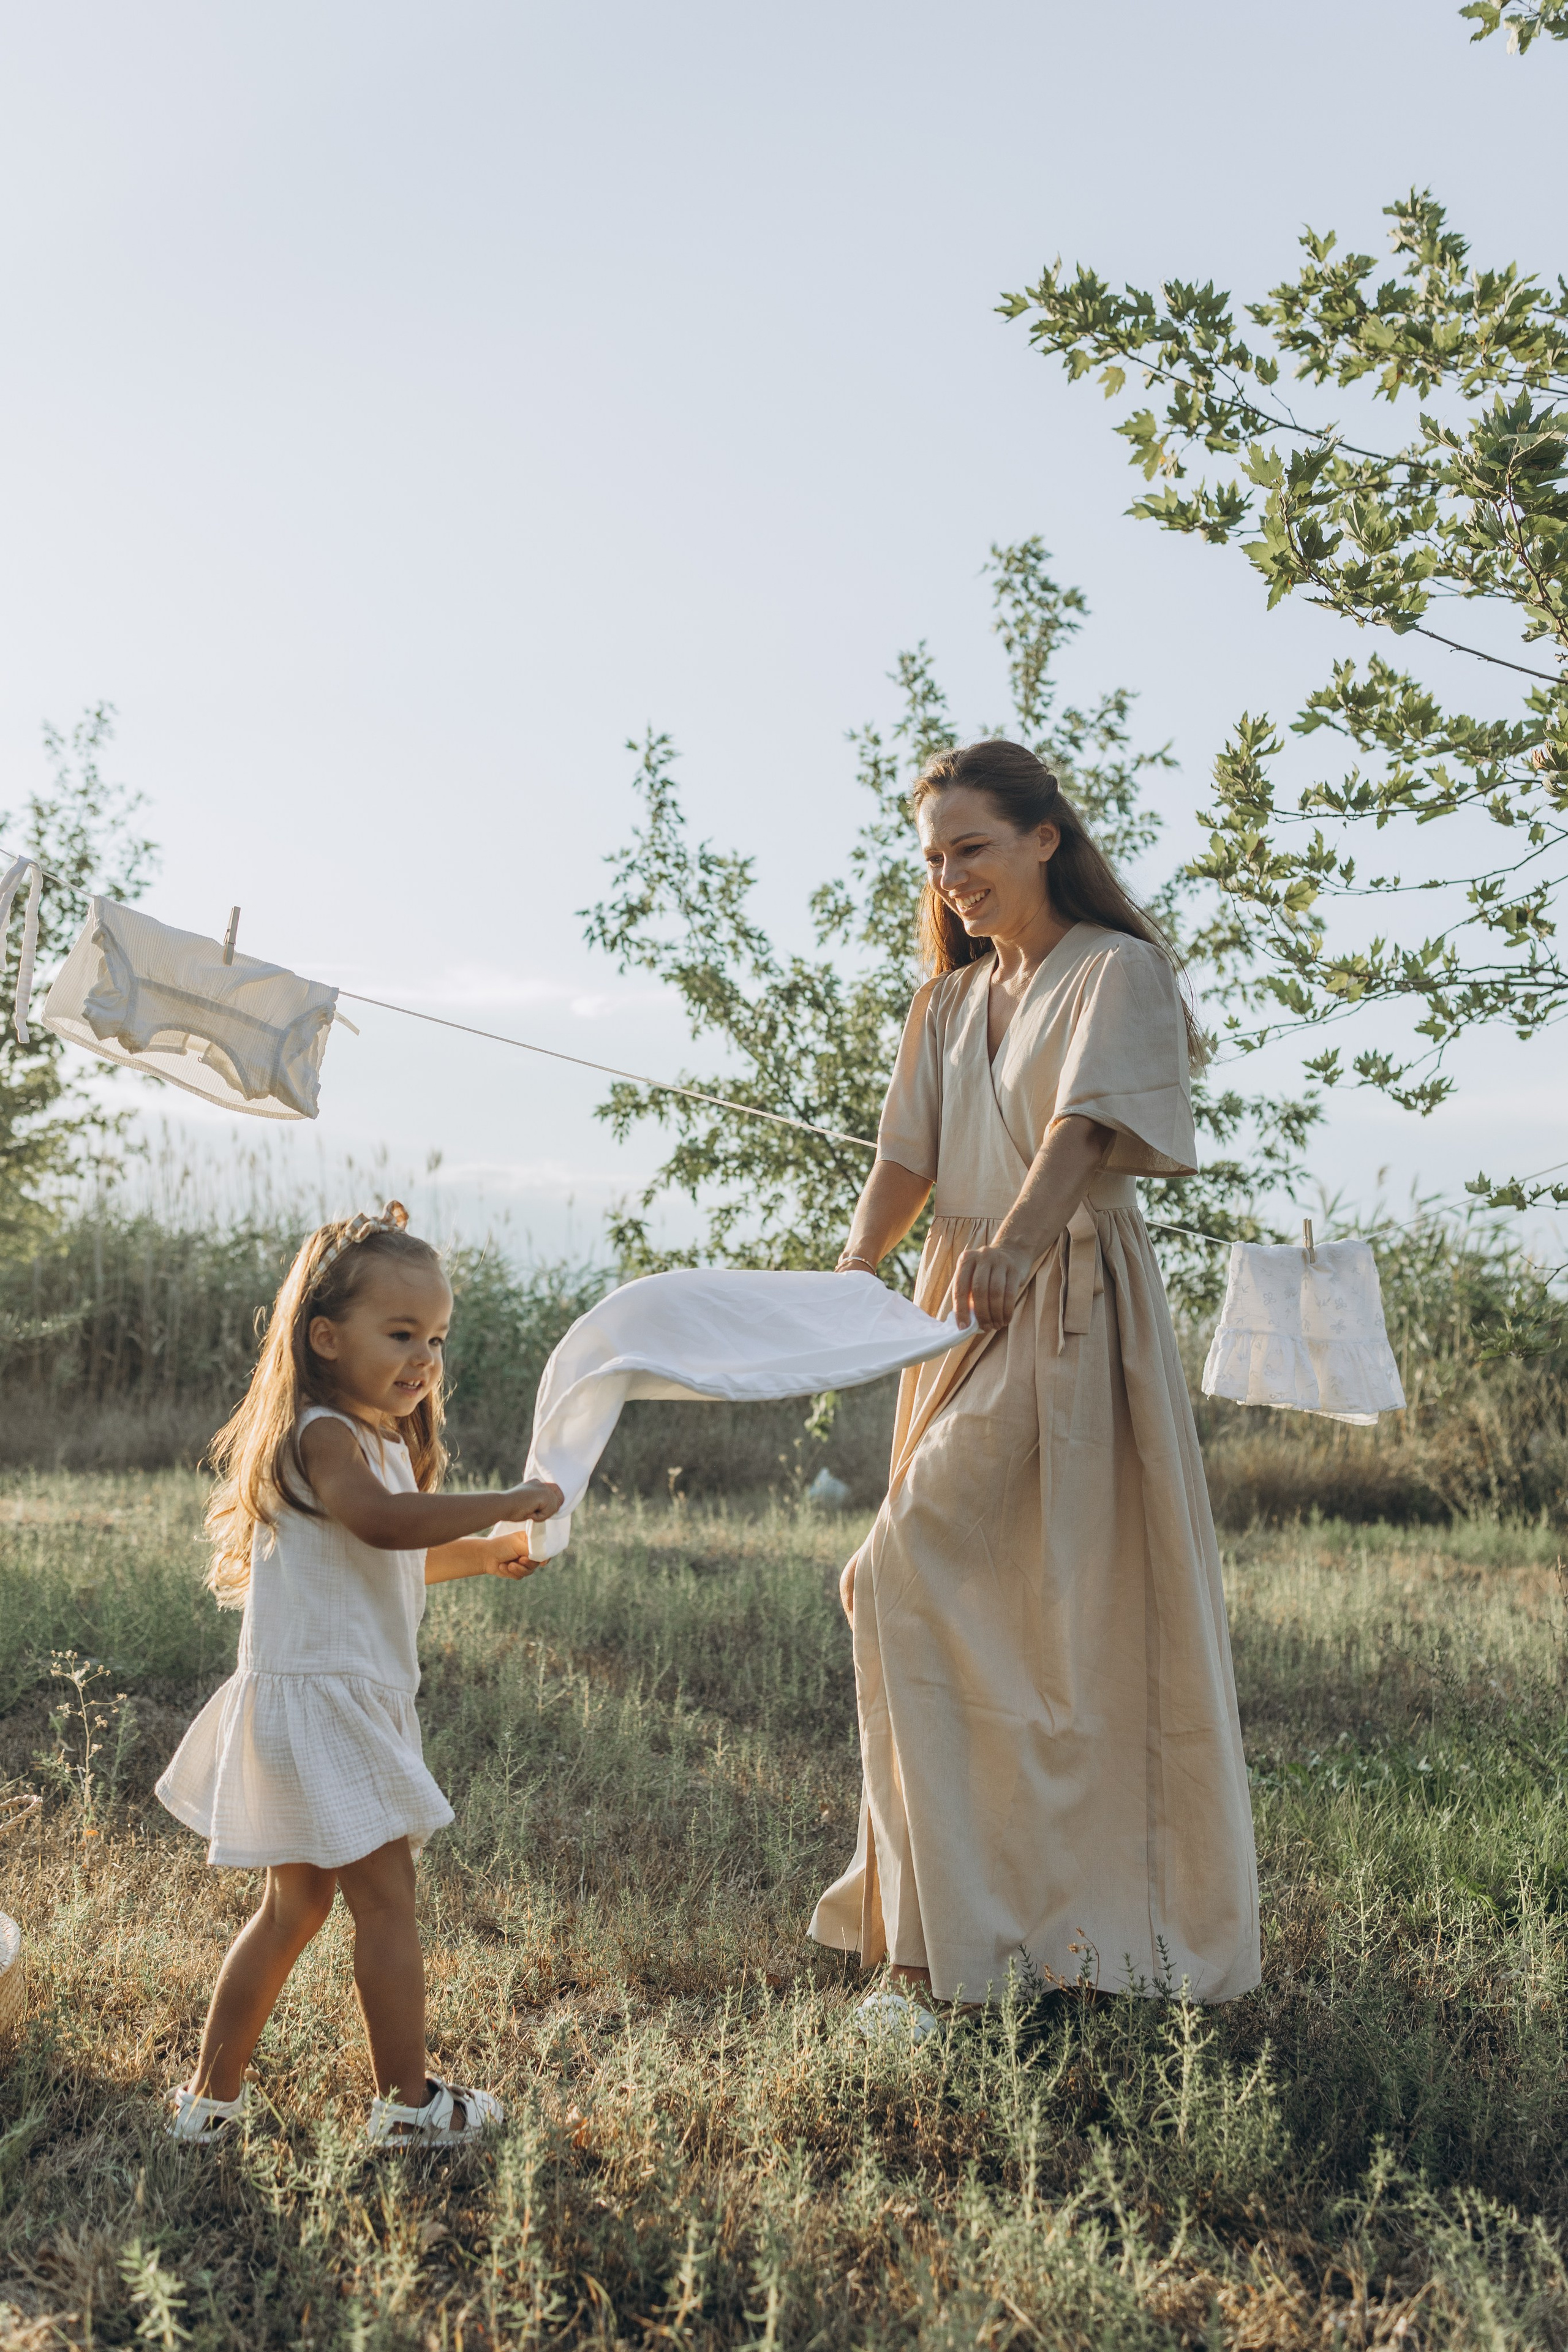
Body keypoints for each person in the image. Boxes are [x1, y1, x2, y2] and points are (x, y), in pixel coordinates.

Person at [810, 740, 1260, 2033]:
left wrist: (1011, 1239)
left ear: (1043, 836)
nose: (951, 877)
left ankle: (967, 1961)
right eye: (934, 857)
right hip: (956, 1313)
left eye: (974, 848)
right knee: (949, 1600)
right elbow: (903, 1159)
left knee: (935, 1583)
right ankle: (964, 1932)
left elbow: (1078, 1131)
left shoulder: (1115, 972)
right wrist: (850, 1277)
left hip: (1063, 1300)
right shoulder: (945, 1004)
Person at [155, 1202, 564, 2146]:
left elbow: (396, 1556)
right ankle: (409, 2108)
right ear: (326, 1336)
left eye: (437, 1338)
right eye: (401, 1333)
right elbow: (383, 1525)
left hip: (320, 1699)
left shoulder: (374, 1444)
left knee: (294, 1907)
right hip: (327, 1703)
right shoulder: (326, 1438)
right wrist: (501, 1500)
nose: (424, 1357)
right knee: (384, 1902)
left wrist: (493, 1549)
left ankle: (207, 2105)